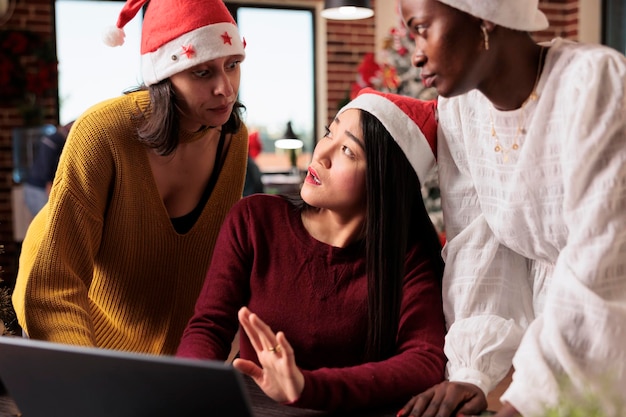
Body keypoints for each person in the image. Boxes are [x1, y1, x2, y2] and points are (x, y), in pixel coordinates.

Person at [395, 1, 626, 417]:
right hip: (545, 339)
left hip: (608, 328)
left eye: (423, 28)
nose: (416, 54)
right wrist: (477, 374)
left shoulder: (592, 81)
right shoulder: (460, 109)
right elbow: (476, 249)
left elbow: (602, 266)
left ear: (485, 13)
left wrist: (527, 396)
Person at [176, 88, 447, 411]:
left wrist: (306, 386)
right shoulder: (255, 219)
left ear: (385, 179)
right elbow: (209, 326)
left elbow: (424, 360)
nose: (321, 154)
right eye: (329, 133)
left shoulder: (408, 258)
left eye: (347, 150)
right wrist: (185, 390)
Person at [12, 0, 248, 355]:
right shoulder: (102, 132)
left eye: (232, 65)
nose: (226, 89)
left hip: (167, 360)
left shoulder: (232, 137)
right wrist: (91, 381)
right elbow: (53, 286)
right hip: (72, 334)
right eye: (202, 72)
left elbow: (202, 276)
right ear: (162, 75)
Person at [22, 121, 73, 217]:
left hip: (34, 187)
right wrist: (49, 186)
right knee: (47, 222)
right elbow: (46, 162)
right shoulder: (56, 140)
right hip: (39, 189)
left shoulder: (56, 139)